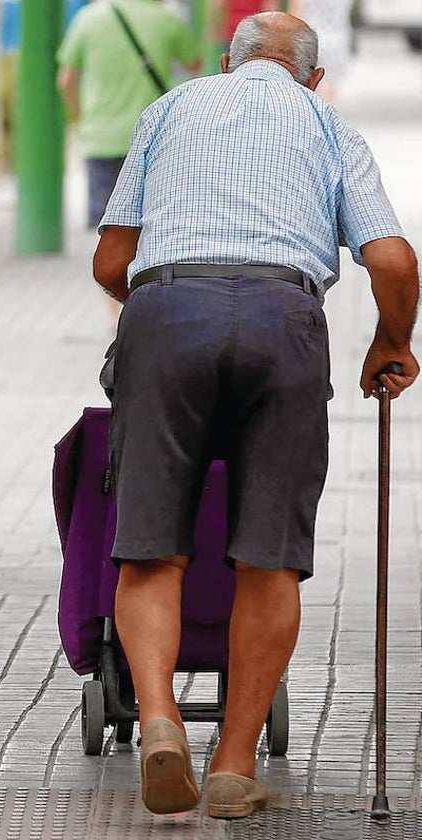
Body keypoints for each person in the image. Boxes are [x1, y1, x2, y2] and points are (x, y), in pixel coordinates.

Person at [93, 12, 417, 820]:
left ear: (229, 64)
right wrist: (391, 340)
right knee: (269, 557)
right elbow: (392, 259)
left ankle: (161, 719)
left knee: (149, 553)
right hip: (285, 319)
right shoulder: (324, 122)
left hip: (170, 306)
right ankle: (234, 766)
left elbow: (110, 261)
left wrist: (172, 312)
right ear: (312, 77)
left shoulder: (170, 108)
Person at [57, 0, 202, 231]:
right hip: (153, 139)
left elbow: (66, 80)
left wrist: (81, 114)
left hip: (99, 136)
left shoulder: (88, 18)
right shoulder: (166, 18)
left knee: (105, 231)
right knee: (147, 224)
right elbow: (195, 66)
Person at [289, 0, 354, 102]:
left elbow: (295, 14)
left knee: (311, 85)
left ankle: (313, 114)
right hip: (338, 40)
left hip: (311, 36)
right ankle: (327, 114)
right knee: (332, 87)